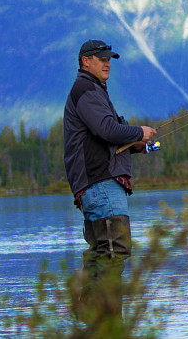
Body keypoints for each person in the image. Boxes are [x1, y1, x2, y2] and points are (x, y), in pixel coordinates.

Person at [63, 39, 157, 319]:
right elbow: (106, 129)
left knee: (101, 252)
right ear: (85, 61)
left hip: (95, 183)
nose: (107, 63)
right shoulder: (86, 90)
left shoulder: (92, 91)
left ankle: (91, 318)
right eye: (100, 58)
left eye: (109, 59)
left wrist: (136, 144)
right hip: (101, 182)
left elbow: (105, 137)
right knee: (114, 251)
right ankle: (105, 321)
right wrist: (138, 132)